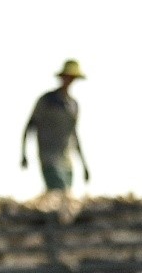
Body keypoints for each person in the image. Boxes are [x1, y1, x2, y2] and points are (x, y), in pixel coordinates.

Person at [20, 59, 90, 193]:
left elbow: (74, 135)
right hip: (49, 158)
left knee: (65, 198)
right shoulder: (46, 101)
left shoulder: (73, 105)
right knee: (58, 192)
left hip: (67, 161)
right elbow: (29, 126)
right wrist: (24, 154)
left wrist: (84, 164)